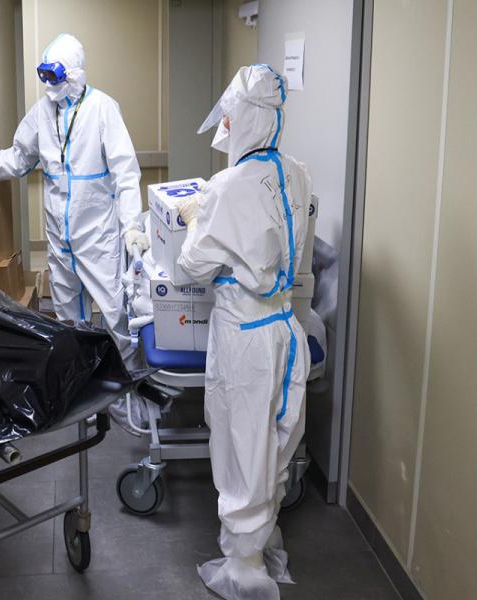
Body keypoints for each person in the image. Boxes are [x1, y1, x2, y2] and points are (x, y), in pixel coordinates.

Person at [176, 65, 312, 600]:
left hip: (246, 338)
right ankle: (261, 535)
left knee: (242, 448)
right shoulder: (296, 172)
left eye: (230, 116)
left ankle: (246, 566)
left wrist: (194, 217)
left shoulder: (227, 187)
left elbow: (191, 266)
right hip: (285, 328)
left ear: (248, 118)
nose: (225, 126)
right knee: (274, 442)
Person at [0, 33, 147, 358]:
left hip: (98, 237)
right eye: (45, 77)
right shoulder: (42, 111)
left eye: (55, 77)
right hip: (59, 238)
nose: (49, 85)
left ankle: (128, 388)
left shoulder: (102, 109)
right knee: (67, 320)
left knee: (116, 316)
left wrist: (132, 226)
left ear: (75, 74)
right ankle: (79, 382)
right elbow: (17, 156)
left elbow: (125, 173)